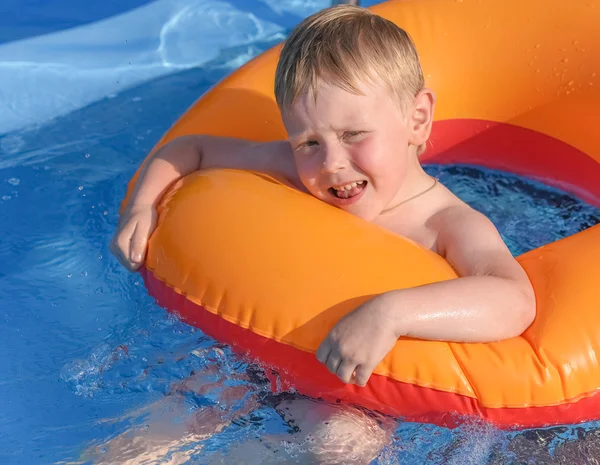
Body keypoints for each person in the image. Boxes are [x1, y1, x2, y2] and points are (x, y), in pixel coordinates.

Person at [108, 5, 536, 464]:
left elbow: (513, 298)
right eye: (309, 142)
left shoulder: (446, 224)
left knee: (346, 445)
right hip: (256, 351)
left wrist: (392, 313)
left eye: (354, 133)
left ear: (417, 118)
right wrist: (142, 206)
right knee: (170, 416)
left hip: (344, 392)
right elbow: (191, 148)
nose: (331, 162)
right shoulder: (298, 171)